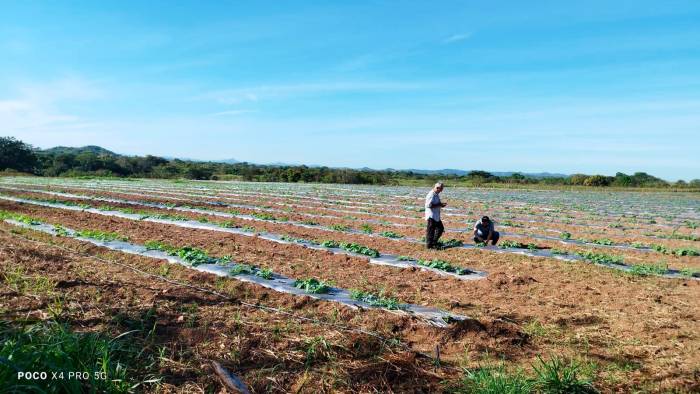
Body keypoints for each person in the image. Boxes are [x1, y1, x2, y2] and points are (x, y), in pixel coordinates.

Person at [425, 182, 447, 249]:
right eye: (441, 189)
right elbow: (429, 205)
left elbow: (436, 204)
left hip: (436, 216)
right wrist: (439, 205)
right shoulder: (431, 194)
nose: (442, 190)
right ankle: (429, 246)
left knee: (440, 229)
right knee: (431, 231)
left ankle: (434, 243)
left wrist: (441, 204)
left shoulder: (436, 194)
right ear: (437, 188)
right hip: (431, 216)